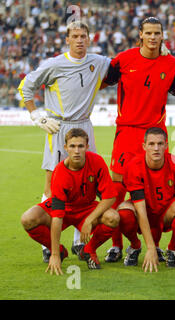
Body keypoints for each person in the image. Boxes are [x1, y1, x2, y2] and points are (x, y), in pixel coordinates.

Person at [17, 21, 112, 262]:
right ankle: (48, 246)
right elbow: (26, 86)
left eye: (84, 36)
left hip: (85, 125)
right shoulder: (54, 64)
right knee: (52, 182)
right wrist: (36, 114)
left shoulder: (98, 62)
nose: (80, 40)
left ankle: (80, 241)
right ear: (67, 40)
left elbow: (127, 66)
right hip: (58, 127)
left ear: (89, 39)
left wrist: (158, 51)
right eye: (75, 36)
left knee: (86, 185)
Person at [101, 17, 175, 262]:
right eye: (148, 32)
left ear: (162, 36)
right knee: (118, 187)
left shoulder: (171, 64)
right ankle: (118, 244)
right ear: (140, 34)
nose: (152, 37)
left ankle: (156, 245)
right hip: (127, 133)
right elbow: (98, 83)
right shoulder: (124, 60)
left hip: (155, 135)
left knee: (154, 191)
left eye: (157, 33)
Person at [20, 128, 119, 273]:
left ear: (87, 146)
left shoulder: (96, 161)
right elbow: (57, 216)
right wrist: (54, 254)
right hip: (65, 210)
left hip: (87, 208)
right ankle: (60, 251)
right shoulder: (60, 172)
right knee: (28, 219)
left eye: (80, 146)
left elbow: (110, 197)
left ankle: (88, 250)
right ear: (66, 148)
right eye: (72, 146)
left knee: (113, 218)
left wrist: (89, 220)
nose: (77, 151)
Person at [116, 127, 175, 271]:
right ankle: (135, 246)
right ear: (144, 146)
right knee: (123, 213)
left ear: (166, 146)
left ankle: (172, 249)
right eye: (151, 144)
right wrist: (151, 248)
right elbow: (140, 210)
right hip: (142, 211)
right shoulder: (134, 166)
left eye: (160, 144)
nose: (156, 148)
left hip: (165, 212)